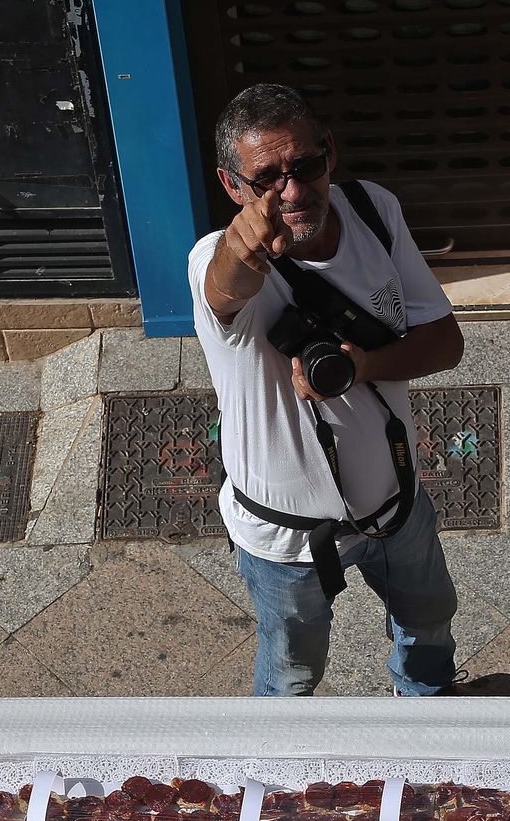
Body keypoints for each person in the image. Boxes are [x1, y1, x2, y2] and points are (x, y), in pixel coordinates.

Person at [187, 83, 466, 697]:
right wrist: (247, 246)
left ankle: (433, 725)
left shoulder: (371, 209)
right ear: (232, 186)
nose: (292, 191)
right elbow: (225, 288)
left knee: (428, 628)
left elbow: (446, 342)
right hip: (287, 540)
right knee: (291, 678)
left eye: (305, 166)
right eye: (266, 179)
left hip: (398, 507)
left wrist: (363, 366)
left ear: (329, 154)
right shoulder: (214, 258)